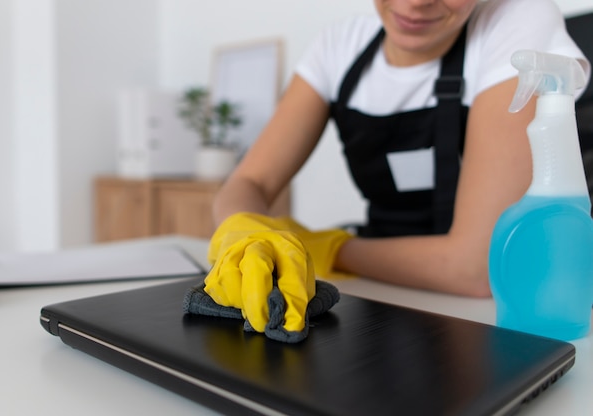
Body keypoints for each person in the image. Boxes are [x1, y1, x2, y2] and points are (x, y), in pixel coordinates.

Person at [202, 0, 590, 335]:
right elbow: (250, 180)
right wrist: (244, 233)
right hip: (376, 293)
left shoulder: (516, 21)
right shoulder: (339, 46)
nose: (414, 3)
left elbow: (474, 268)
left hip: (484, 313)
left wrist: (327, 249)